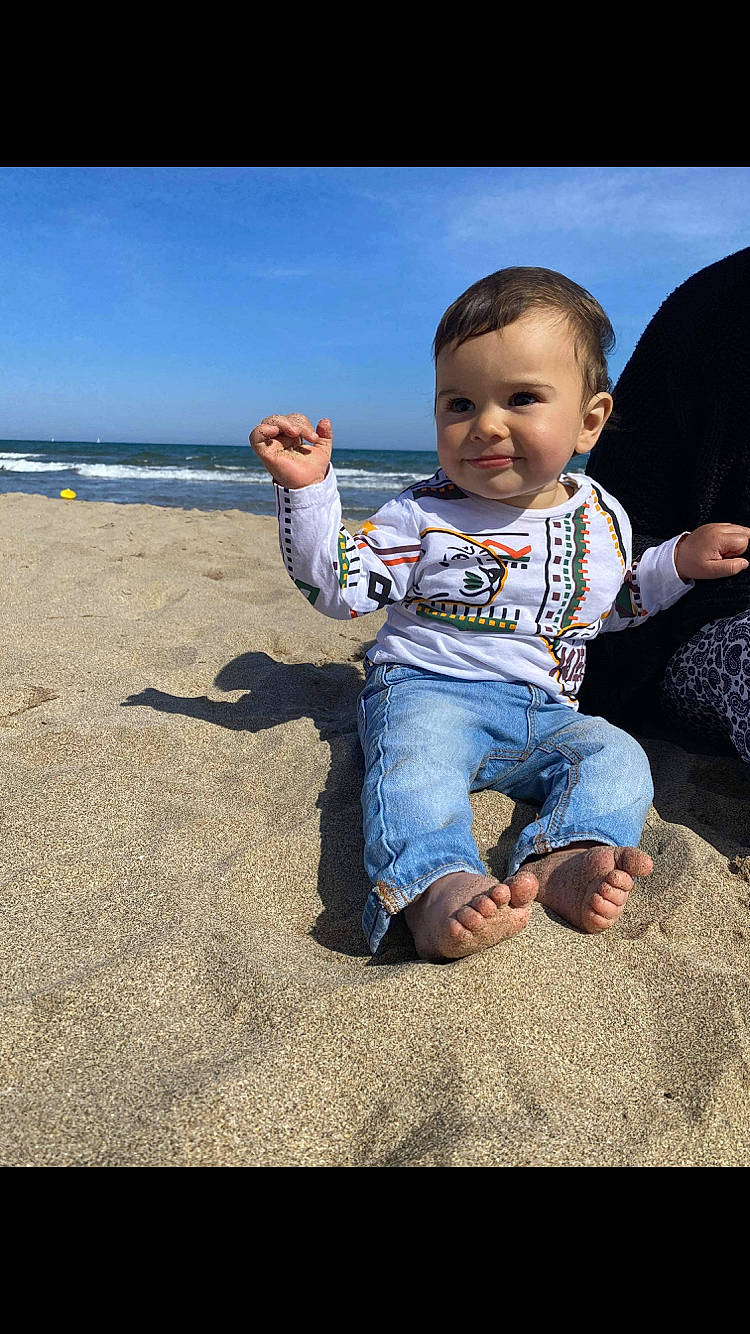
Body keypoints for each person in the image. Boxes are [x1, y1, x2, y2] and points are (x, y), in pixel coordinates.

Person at [250, 267, 750, 962]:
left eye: (520, 398)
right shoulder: (422, 514)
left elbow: (610, 607)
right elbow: (340, 590)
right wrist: (309, 495)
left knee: (619, 756)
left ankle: (564, 853)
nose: (485, 424)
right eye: (458, 404)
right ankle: (435, 885)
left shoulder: (598, 516)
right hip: (429, 691)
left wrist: (678, 562)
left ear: (589, 421)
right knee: (412, 772)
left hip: (546, 710)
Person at [581, 248, 750, 763]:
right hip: (704, 625)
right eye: (458, 405)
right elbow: (611, 579)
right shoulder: (715, 305)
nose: (489, 429)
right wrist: (678, 560)